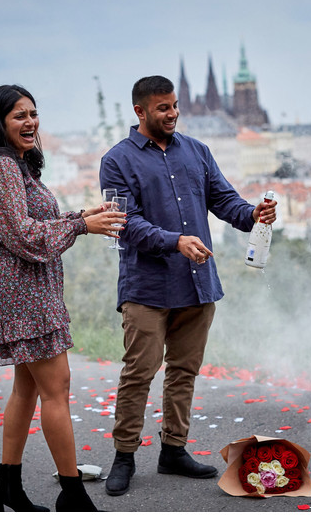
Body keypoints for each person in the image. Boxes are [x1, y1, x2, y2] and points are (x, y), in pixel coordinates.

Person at [98, 75, 277, 496]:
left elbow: (224, 201)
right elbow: (125, 225)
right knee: (139, 374)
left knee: (184, 372)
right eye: (163, 108)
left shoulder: (197, 151)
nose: (173, 113)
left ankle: (173, 450)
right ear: (140, 112)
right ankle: (124, 457)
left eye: (175, 105)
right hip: (146, 288)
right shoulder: (116, 161)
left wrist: (253, 213)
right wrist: (175, 242)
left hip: (197, 285)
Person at [0, 84, 126, 511]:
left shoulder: (16, 165)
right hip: (22, 290)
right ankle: (72, 494)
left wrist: (80, 216)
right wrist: (80, 228)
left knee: (28, 390)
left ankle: (8, 487)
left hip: (28, 287)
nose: (30, 122)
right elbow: (21, 237)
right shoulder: (1, 168)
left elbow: (33, 223)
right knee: (57, 390)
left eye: (33, 113)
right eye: (19, 115)